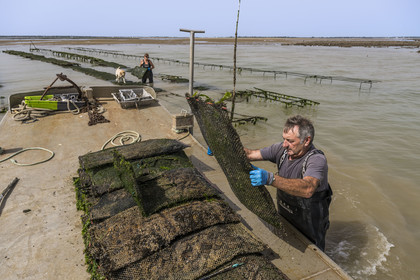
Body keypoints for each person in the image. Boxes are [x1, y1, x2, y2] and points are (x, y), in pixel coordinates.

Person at [244, 115, 332, 251]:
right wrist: (223, 148)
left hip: (310, 224)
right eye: (284, 139)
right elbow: (250, 154)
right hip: (286, 214)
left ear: (306, 140)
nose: (285, 144)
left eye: (290, 141)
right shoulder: (281, 150)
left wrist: (270, 179)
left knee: (314, 252)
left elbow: (308, 188)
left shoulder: (316, 160)